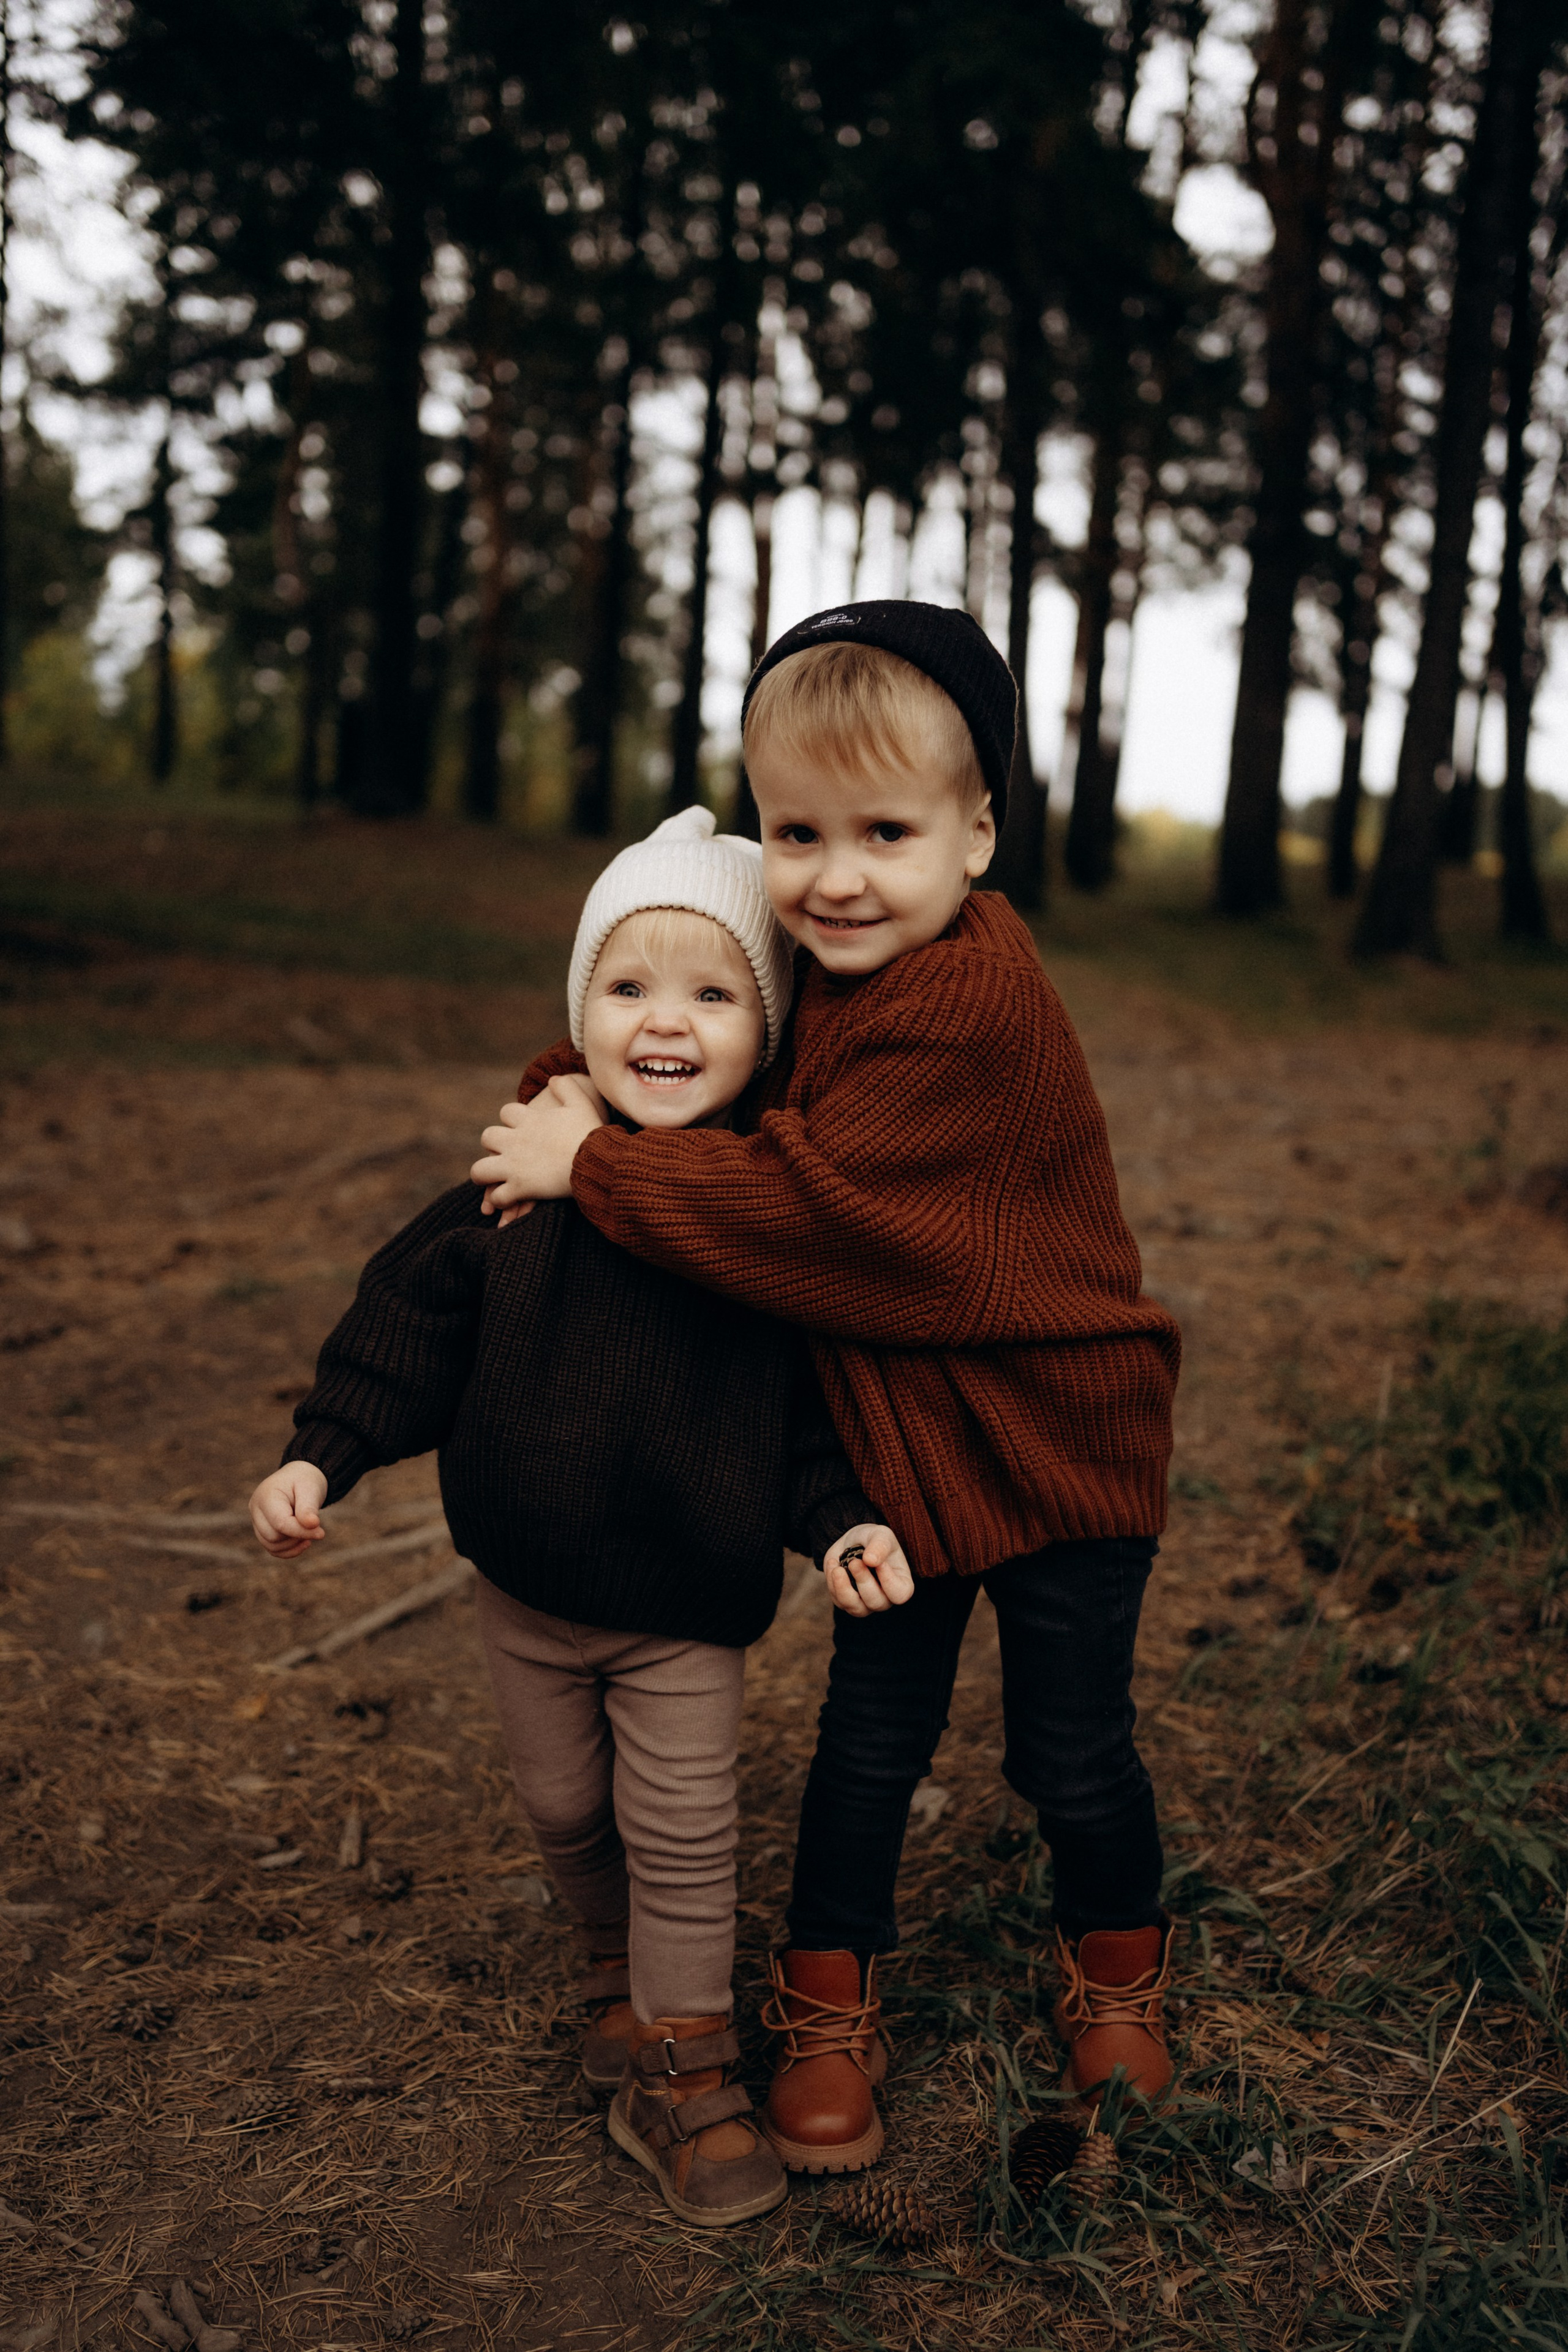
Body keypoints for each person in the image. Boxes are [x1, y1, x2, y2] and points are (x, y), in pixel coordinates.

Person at [472, 601, 1184, 2177]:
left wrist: (586, 1165)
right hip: (901, 1447)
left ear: (976, 835)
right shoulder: (822, 976)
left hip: (1059, 1435)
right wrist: (574, 1092)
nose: (835, 874)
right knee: (871, 1743)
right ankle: (823, 2009)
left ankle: (1114, 1972)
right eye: (794, 832)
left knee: (1068, 1748)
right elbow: (692, 1063)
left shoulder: (963, 1002)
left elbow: (812, 1211)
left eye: (885, 830)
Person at [248, 805, 913, 2228]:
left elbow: (806, 1422)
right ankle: (608, 1961)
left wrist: (844, 1519)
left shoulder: (749, 1226)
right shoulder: (515, 1186)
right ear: (581, 1009)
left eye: (712, 994)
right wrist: (326, 1453)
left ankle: (682, 2068)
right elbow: (402, 1334)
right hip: (524, 1595)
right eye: (627, 987)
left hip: (685, 1610)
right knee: (564, 1808)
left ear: (765, 1032)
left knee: (682, 1833)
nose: (663, 1024)